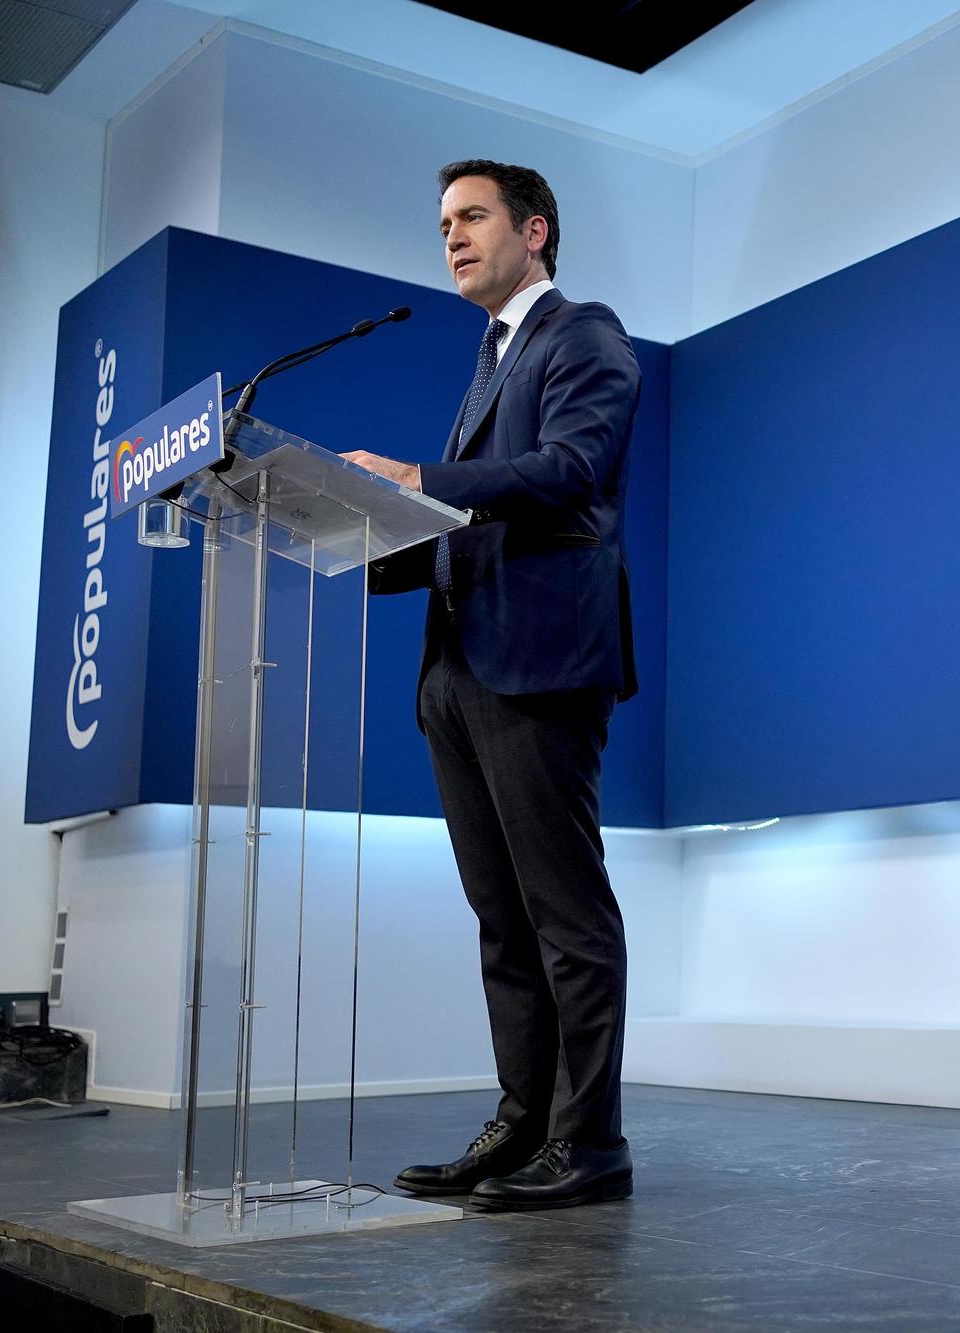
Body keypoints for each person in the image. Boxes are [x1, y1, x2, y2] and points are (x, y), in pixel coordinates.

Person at [342, 159, 639, 1211]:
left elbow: (568, 472)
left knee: (563, 913)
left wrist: (419, 481)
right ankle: (521, 1125)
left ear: (535, 231)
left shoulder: (582, 334)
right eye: (442, 225)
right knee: (500, 918)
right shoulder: (488, 359)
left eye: (471, 218)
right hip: (460, 669)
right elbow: (475, 515)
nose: (452, 238)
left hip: (540, 660)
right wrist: (360, 533)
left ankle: (589, 1145)